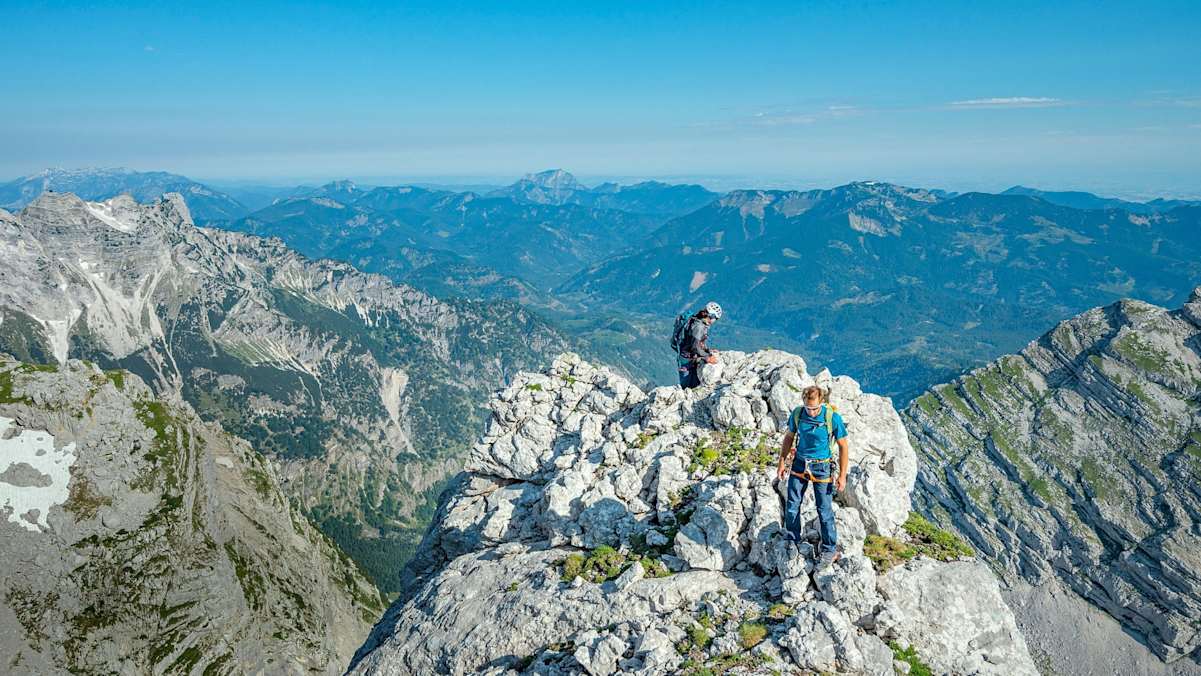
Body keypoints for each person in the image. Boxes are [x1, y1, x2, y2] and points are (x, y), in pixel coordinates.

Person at [776, 385, 849, 569]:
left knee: (824, 511)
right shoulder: (798, 414)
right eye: (809, 408)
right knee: (792, 505)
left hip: (822, 466)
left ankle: (829, 550)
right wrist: (782, 462)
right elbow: (789, 437)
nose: (812, 412)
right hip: (800, 462)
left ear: (822, 403)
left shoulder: (832, 417)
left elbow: (843, 446)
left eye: (815, 408)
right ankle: (793, 539)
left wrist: (842, 475)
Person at [677, 301, 722, 389]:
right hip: (687, 360)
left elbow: (696, 343)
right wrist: (707, 357)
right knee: (687, 387)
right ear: (711, 316)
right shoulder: (699, 326)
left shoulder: (698, 320)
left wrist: (708, 350)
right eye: (715, 318)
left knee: (692, 384)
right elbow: (695, 347)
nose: (715, 321)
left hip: (687, 357)